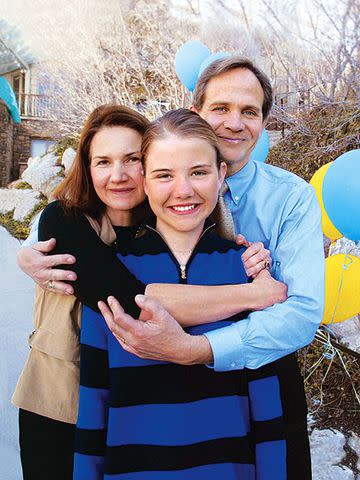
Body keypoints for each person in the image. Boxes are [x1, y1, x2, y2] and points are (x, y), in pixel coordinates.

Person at [14, 104, 285, 479]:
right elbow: (133, 301)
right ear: (86, 168)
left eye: (132, 159)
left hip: (149, 419)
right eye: (103, 162)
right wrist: (256, 295)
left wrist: (245, 262)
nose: (119, 175)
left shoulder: (166, 226)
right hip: (59, 402)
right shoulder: (67, 221)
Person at [98, 57, 325, 479]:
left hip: (263, 373)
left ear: (263, 122)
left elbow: (301, 314)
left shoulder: (291, 198)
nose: (234, 123)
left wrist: (198, 351)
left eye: (249, 112)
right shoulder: (158, 181)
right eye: (221, 108)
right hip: (150, 390)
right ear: (196, 110)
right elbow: (83, 204)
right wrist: (39, 241)